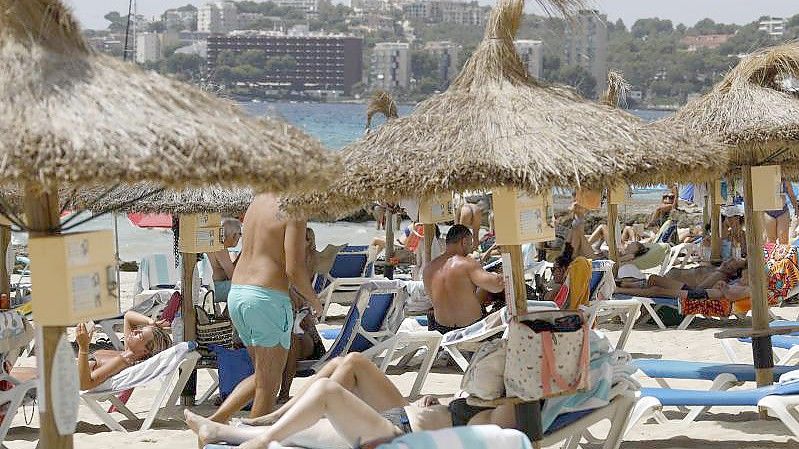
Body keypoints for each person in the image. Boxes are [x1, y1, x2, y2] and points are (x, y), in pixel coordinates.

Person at [184, 353, 515, 448]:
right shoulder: (479, 398)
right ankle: (225, 432)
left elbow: (502, 434)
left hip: (396, 434)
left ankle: (259, 431)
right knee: (350, 364)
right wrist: (439, 400)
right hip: (401, 417)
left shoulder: (500, 415)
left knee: (325, 398)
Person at [209, 193, 323, 423]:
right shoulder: (295, 205)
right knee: (270, 383)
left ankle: (215, 422)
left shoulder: (257, 202)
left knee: (263, 375)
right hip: (265, 298)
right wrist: (314, 300)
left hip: (239, 293)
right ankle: (252, 440)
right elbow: (294, 268)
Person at [422, 225, 504, 334]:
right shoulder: (466, 263)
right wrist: (497, 275)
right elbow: (496, 287)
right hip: (471, 330)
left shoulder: (428, 269)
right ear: (464, 241)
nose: (471, 248)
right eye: (470, 244)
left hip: (442, 330)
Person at [279, 228, 325, 403]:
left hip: (306, 339)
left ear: (308, 242)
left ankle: (284, 393)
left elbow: (303, 302)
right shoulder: (288, 262)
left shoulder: (309, 260)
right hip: (285, 331)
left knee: (293, 341)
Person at [76, 311, 172, 390]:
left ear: (145, 351)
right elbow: (128, 316)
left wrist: (83, 347)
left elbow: (85, 384)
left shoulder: (124, 360)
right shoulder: (129, 351)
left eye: (140, 335)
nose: (135, 331)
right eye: (140, 329)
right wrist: (150, 322)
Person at [616, 270, 750, 301]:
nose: (742, 276)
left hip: (699, 297)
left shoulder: (749, 289)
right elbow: (720, 291)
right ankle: (624, 284)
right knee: (654, 279)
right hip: (699, 292)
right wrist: (720, 285)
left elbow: (731, 297)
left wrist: (724, 287)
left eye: (745, 276)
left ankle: (618, 289)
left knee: (657, 290)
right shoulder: (740, 284)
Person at [207, 218, 243, 302]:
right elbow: (233, 276)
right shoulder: (221, 249)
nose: (240, 238)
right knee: (248, 287)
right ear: (233, 235)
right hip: (217, 289)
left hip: (214, 287)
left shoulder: (215, 246)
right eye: (240, 234)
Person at [764, 179, 799, 244]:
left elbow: (791, 195)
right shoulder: (765, 179)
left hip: (782, 211)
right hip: (768, 211)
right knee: (771, 240)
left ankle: (781, 254)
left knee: (783, 239)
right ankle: (771, 254)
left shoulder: (785, 180)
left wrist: (796, 209)